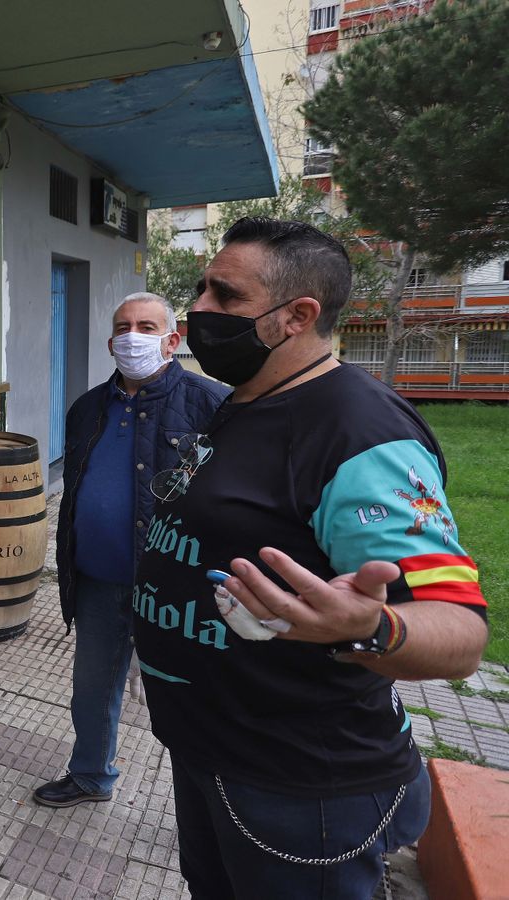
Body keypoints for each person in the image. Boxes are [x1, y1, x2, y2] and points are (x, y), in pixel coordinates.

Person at [136, 217, 488, 898]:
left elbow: (463, 634)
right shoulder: (245, 402)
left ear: (297, 316)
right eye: (202, 287)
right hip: (215, 751)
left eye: (225, 296)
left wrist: (371, 627)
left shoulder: (360, 431)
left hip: (301, 788)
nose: (199, 309)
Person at [35, 293, 226, 809]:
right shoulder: (87, 408)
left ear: (173, 339)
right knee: (92, 690)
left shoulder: (213, 406)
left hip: (176, 590)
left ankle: (216, 799)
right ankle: (91, 776)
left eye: (146, 325)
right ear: (110, 340)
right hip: (98, 582)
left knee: (191, 697)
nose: (132, 335)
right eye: (123, 326)